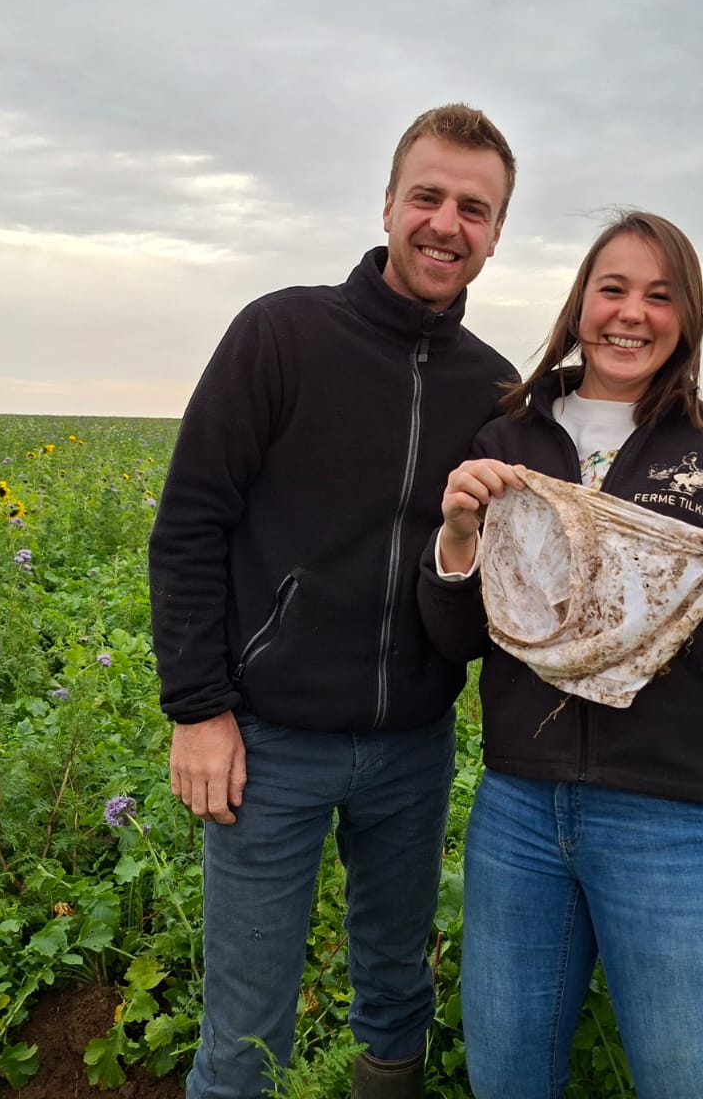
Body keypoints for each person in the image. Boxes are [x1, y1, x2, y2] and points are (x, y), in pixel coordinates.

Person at [147, 104, 518, 1099]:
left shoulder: (494, 393)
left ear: (495, 232)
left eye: (473, 209)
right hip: (268, 742)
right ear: (389, 204)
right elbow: (189, 525)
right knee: (247, 1020)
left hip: (413, 744)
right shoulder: (282, 334)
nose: (446, 223)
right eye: (428, 197)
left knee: (397, 989)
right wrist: (198, 706)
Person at [418, 211, 703, 1099]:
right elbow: (458, 642)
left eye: (659, 295)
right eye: (613, 289)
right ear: (579, 304)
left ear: (687, 318)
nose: (631, 314)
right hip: (520, 817)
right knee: (507, 1077)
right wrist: (458, 542)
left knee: (690, 1082)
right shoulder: (508, 442)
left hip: (677, 827)